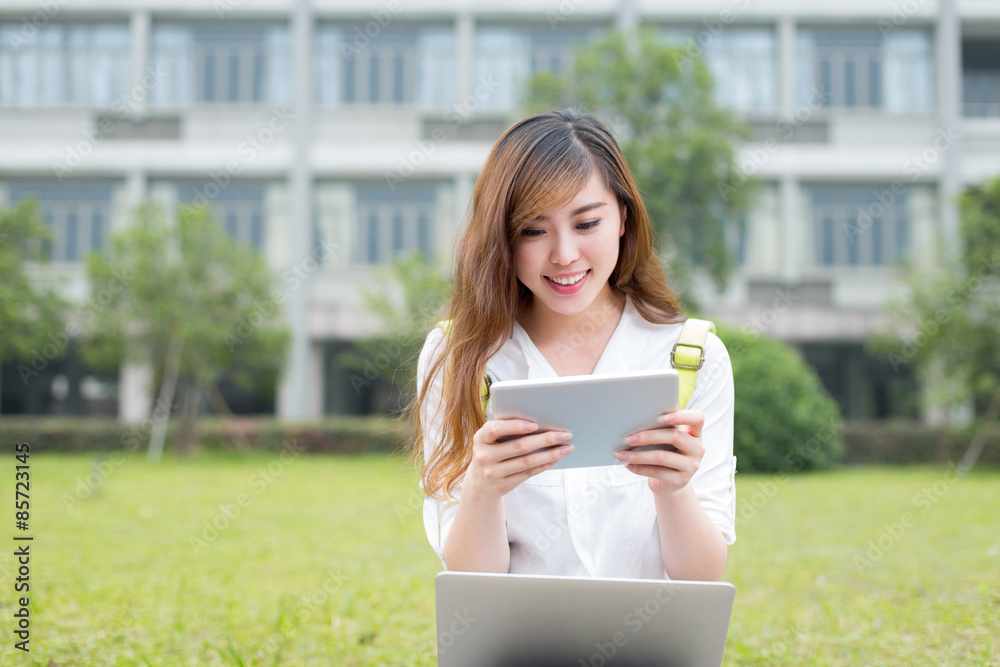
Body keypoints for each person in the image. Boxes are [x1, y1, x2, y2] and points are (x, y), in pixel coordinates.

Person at [411, 108, 736, 581]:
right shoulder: (458, 357)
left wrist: (673, 489)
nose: (564, 255)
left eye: (587, 224)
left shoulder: (692, 357)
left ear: (623, 218)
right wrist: (483, 488)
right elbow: (470, 579)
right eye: (534, 230)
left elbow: (702, 575)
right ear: (502, 236)